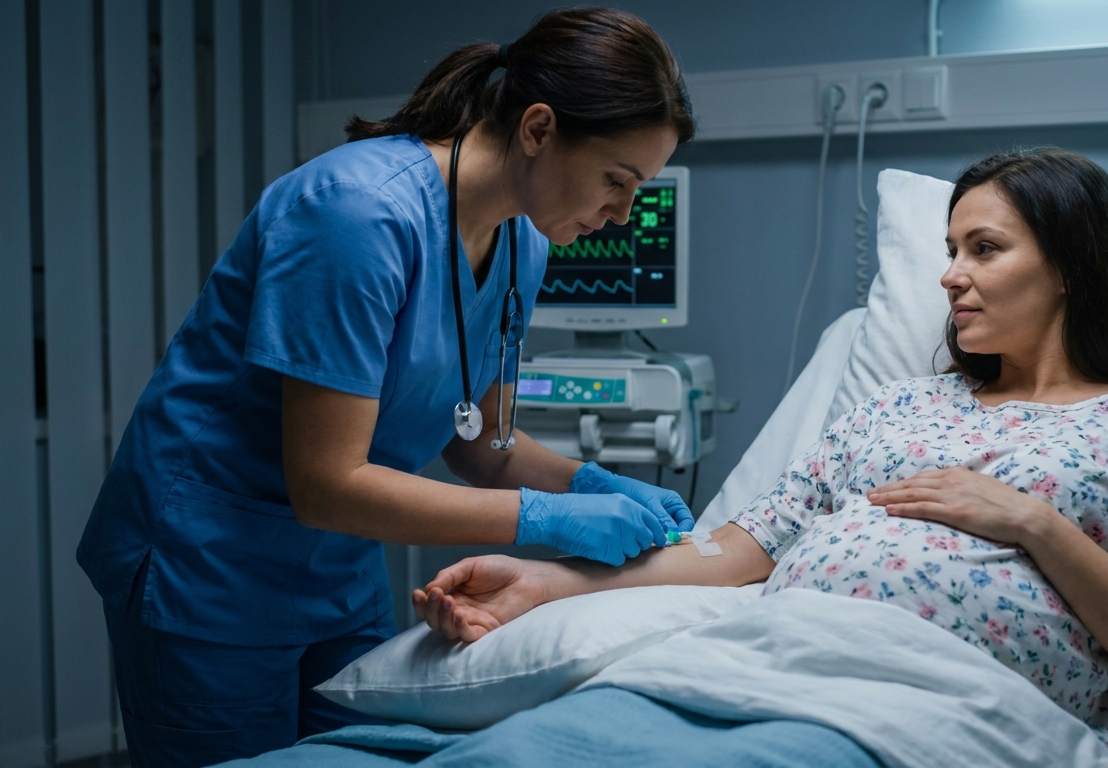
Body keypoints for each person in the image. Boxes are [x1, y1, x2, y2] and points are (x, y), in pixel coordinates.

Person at [413, 148, 1108, 756]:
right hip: (761, 665)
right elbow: (738, 549)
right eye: (948, 250)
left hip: (924, 712)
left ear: (1071, 267)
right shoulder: (898, 407)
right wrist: (549, 582)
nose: (949, 275)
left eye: (984, 249)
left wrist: (1036, 526)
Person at [76, 8, 696, 766]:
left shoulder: (522, 241)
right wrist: (553, 518)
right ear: (538, 128)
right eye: (616, 180)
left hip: (336, 568)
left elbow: (482, 444)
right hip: (211, 562)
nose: (622, 214)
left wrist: (592, 481)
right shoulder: (358, 216)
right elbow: (326, 483)